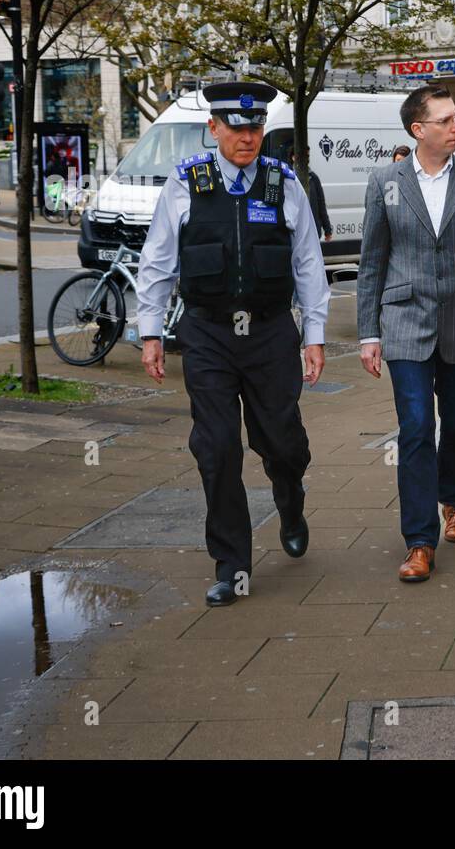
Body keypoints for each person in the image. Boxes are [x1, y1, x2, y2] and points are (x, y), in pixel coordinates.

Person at [136, 81, 331, 607]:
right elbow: (157, 261)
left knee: (283, 443)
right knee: (217, 448)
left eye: (255, 127)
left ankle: (290, 500)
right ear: (214, 129)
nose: (248, 137)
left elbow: (308, 265)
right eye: (237, 127)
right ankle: (231, 563)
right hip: (208, 335)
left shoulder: (283, 183)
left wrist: (314, 336)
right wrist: (150, 331)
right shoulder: (185, 184)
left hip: (269, 334)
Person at [357, 83, 455, 583]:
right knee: (417, 427)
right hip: (404, 322)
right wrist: (367, 332)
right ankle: (419, 541)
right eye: (445, 120)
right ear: (417, 129)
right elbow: (372, 261)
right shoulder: (386, 181)